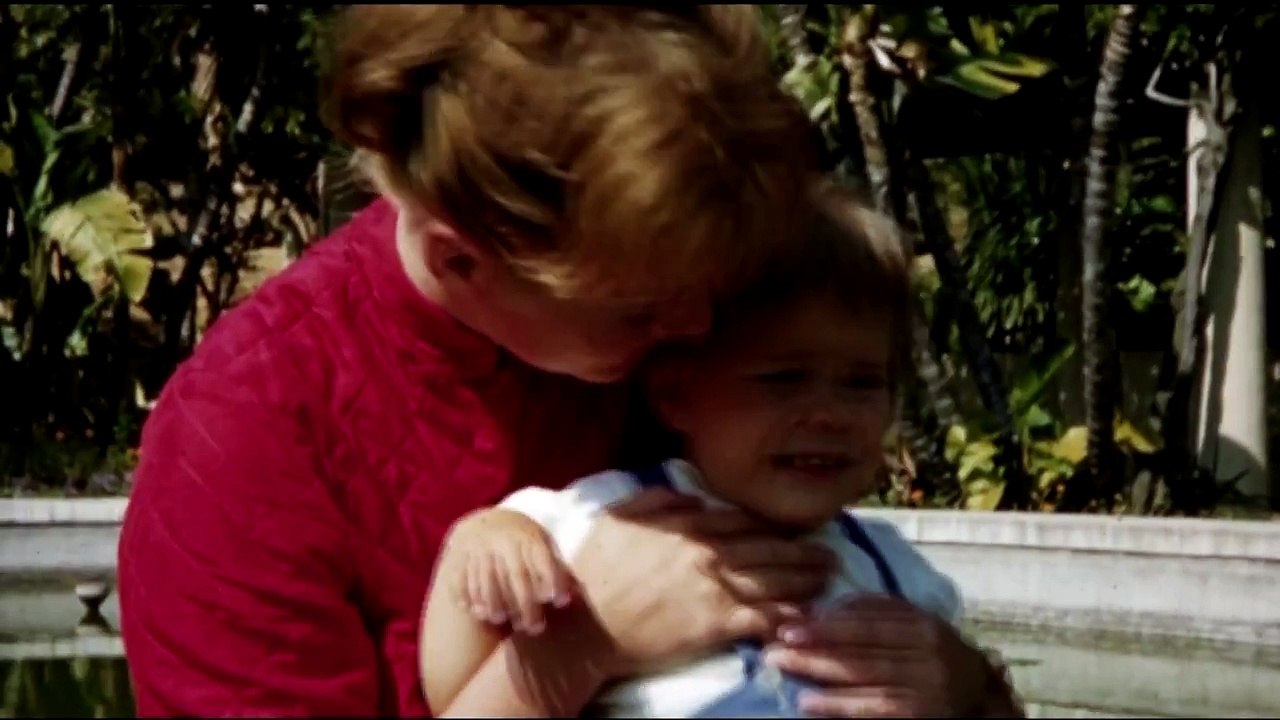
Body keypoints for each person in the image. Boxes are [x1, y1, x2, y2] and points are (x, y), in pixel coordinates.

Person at [116, 5, 1020, 718]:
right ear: (459, 255)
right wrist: (572, 655)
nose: (702, 321)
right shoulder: (241, 439)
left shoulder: (689, 308)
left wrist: (963, 684)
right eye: (640, 304)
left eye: (712, 279)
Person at [420, 182, 1022, 718]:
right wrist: (481, 542)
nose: (828, 415)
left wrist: (970, 686)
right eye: (782, 379)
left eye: (863, 383)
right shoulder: (608, 523)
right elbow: (453, 694)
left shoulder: (897, 572)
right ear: (677, 395)